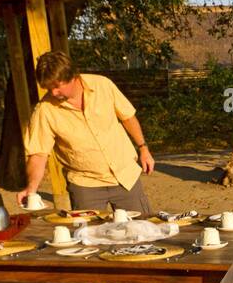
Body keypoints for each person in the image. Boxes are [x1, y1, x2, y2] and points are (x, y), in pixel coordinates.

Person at [18, 51, 156, 216]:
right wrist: (31, 189)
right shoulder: (45, 110)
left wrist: (143, 148)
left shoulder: (103, 85)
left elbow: (128, 117)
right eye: (48, 87)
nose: (53, 92)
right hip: (85, 186)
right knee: (89, 238)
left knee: (142, 231)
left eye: (57, 85)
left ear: (72, 76)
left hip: (125, 176)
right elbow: (39, 154)